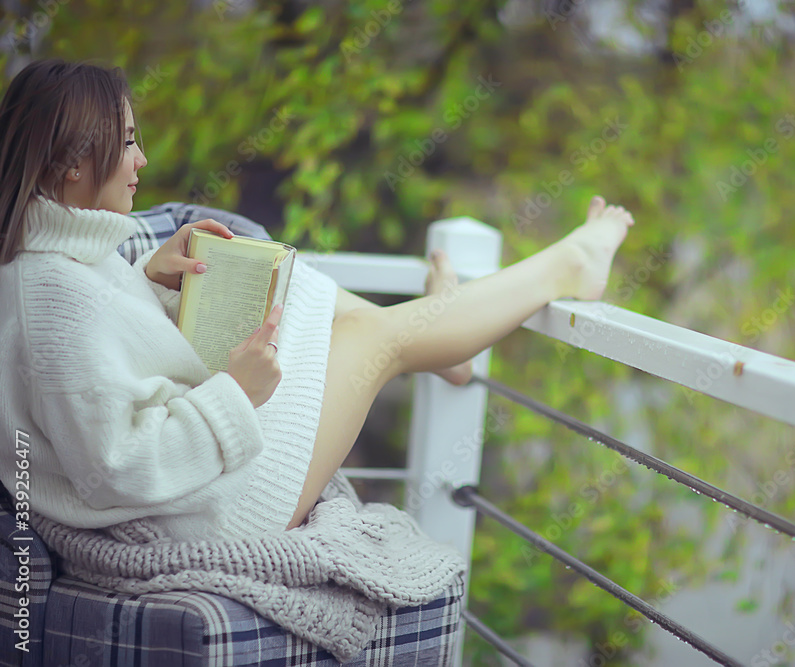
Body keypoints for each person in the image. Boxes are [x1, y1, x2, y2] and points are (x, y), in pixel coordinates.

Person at [0, 58, 635, 543]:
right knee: (373, 341)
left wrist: (147, 279)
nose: (142, 158)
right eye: (128, 140)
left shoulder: (57, 263)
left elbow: (97, 377)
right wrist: (235, 394)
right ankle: (563, 267)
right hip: (205, 516)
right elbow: (115, 468)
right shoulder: (51, 301)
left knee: (289, 281)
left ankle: (441, 338)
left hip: (191, 494)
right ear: (74, 162)